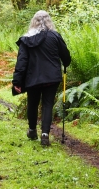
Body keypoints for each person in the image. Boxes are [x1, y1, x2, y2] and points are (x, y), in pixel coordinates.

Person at [12, 10, 71, 146]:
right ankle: (45, 134)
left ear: (34, 21)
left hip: (32, 77)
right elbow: (66, 57)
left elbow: (21, 62)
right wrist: (65, 63)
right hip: (52, 77)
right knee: (47, 104)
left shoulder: (26, 39)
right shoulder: (55, 36)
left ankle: (32, 130)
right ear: (49, 21)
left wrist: (17, 81)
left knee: (32, 103)